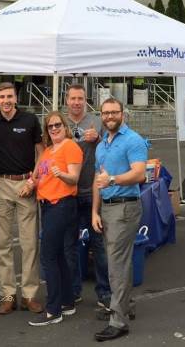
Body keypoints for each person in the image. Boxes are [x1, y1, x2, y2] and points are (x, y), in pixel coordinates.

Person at [92, 98, 147, 342]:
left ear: (122, 114)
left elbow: (139, 173)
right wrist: (95, 211)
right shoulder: (102, 144)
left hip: (125, 208)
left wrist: (112, 180)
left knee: (117, 266)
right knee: (119, 263)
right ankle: (126, 307)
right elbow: (97, 180)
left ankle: (119, 321)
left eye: (114, 112)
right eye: (105, 113)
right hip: (107, 208)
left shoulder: (133, 140)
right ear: (101, 115)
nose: (110, 116)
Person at [0, 82, 44, 315]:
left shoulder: (29, 120)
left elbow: (41, 152)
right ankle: (8, 294)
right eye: (2, 97)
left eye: (10, 96)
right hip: (1, 184)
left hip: (25, 184)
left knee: (29, 243)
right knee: (3, 243)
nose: (6, 100)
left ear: (16, 97)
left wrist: (33, 181)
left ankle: (29, 295)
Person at [28, 111, 82, 326]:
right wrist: (30, 183)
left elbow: (74, 178)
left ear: (65, 126)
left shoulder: (70, 146)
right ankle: (67, 302)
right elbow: (37, 175)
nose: (54, 129)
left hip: (61, 204)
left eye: (57, 125)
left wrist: (62, 175)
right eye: (50, 127)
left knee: (48, 256)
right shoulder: (48, 150)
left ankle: (53, 310)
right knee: (58, 255)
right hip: (48, 205)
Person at [65, 84, 111, 309]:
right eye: (72, 98)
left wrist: (98, 139)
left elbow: (112, 146)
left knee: (98, 244)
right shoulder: (60, 123)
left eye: (80, 98)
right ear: (66, 101)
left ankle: (104, 292)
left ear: (86, 100)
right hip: (69, 193)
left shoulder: (96, 121)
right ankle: (73, 292)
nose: (76, 102)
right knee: (70, 245)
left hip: (93, 192)